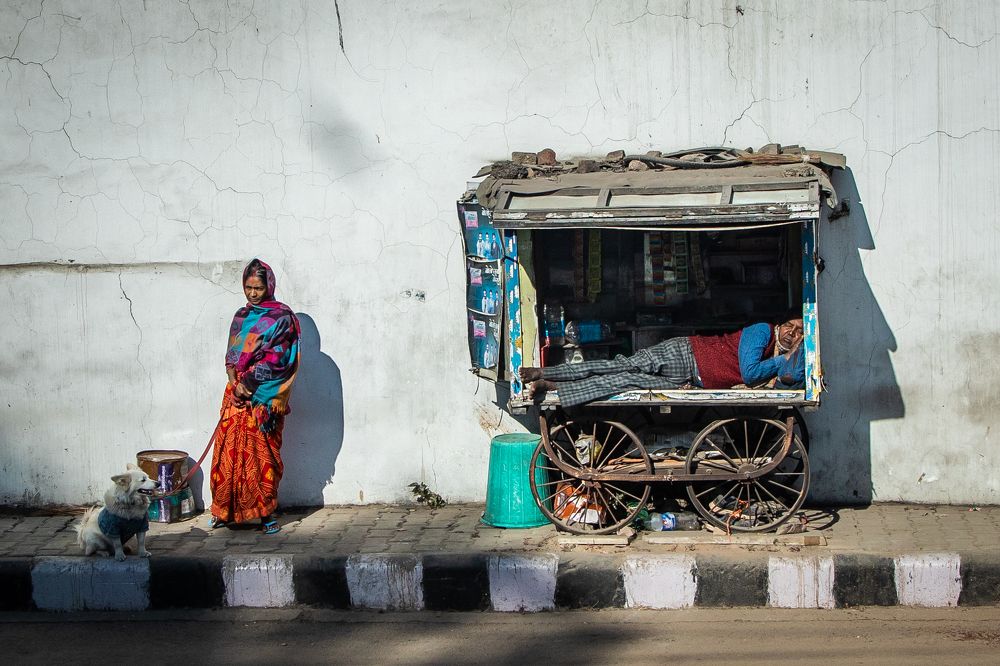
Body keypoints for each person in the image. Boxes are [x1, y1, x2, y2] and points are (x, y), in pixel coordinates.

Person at [519, 317, 804, 407]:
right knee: (620, 365)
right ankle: (544, 370)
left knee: (623, 381)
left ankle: (553, 385)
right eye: (791, 325)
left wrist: (786, 360)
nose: (792, 332)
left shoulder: (775, 352)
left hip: (687, 381)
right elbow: (750, 373)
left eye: (800, 331)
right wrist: (783, 361)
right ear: (781, 323)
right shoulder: (763, 331)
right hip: (685, 354)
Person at [209, 258, 301, 534]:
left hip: (262, 400)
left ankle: (265, 514)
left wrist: (246, 384)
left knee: (262, 460)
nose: (252, 293)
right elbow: (232, 355)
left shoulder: (281, 318)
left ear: (269, 286)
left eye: (258, 288)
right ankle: (225, 511)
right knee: (227, 457)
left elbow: (279, 359)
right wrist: (232, 378)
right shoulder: (241, 316)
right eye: (248, 287)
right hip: (235, 399)